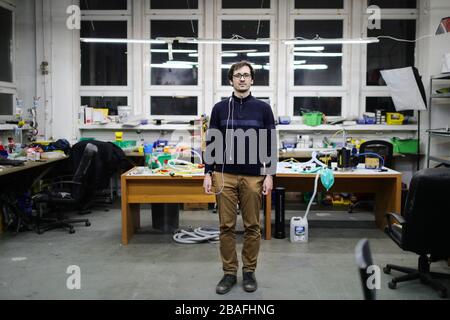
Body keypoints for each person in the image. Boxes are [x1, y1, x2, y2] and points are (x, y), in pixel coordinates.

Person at [203, 61, 276, 294]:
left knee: (252, 226)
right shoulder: (220, 108)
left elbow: (270, 143)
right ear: (230, 80)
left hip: (254, 176)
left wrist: (269, 174)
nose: (242, 79)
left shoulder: (263, 109)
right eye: (237, 75)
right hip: (224, 175)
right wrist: (207, 172)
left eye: (246, 75)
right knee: (226, 226)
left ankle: (249, 272)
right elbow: (212, 141)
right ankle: (229, 273)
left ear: (252, 80)